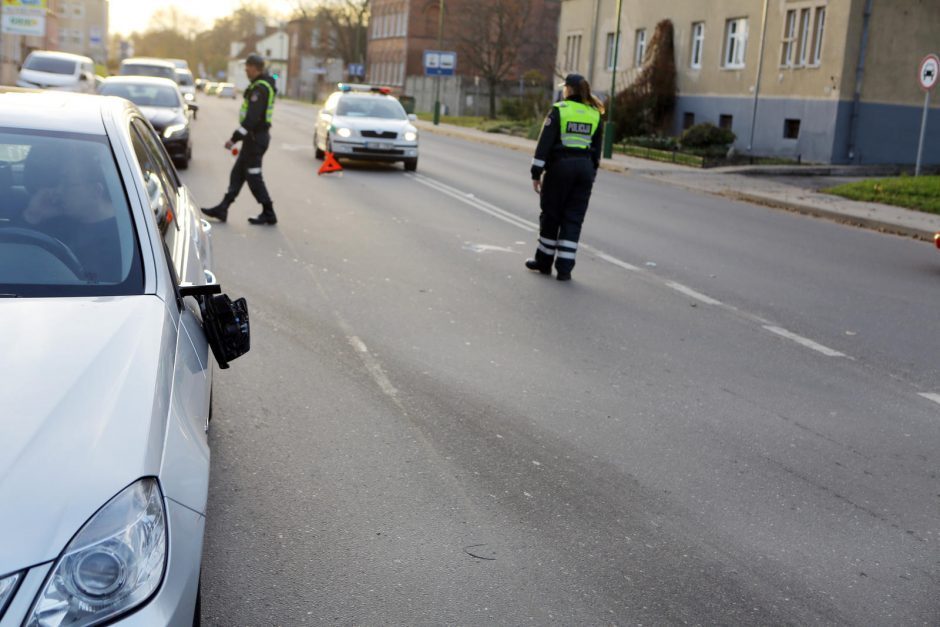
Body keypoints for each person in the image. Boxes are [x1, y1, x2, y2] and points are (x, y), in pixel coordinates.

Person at [526, 73, 605, 281]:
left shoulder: (560, 110)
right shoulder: (594, 113)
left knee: (551, 215)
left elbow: (544, 144)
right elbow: (597, 150)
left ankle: (544, 262)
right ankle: (565, 269)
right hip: (585, 170)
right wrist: (592, 174)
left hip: (561, 168)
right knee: (574, 218)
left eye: (565, 87)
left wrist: (536, 173)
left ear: (569, 89)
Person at [22, 149, 120, 282]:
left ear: (95, 191)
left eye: (67, 184)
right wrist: (33, 216)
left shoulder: (122, 241)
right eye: (59, 183)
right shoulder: (56, 221)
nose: (58, 191)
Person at [202, 53, 278, 225]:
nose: (245, 69)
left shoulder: (260, 89)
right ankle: (223, 208)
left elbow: (251, 119)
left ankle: (269, 212)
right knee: (237, 173)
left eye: (248, 66)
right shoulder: (260, 86)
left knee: (253, 176)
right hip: (253, 139)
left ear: (255, 68)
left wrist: (234, 139)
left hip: (256, 139)